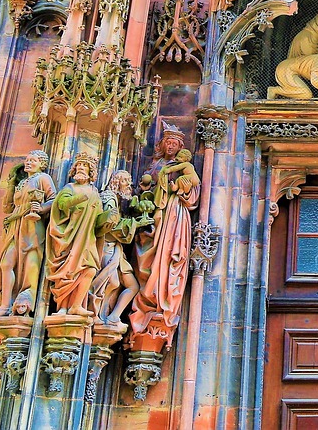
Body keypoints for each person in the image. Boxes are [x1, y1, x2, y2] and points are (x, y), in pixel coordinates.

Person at [130, 131, 201, 339]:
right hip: (156, 212)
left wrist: (180, 189)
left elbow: (193, 187)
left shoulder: (183, 167)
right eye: (167, 143)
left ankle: (162, 305)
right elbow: (147, 188)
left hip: (174, 213)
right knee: (149, 260)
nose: (170, 147)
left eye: (174, 144)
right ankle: (148, 305)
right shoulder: (156, 165)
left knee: (168, 254)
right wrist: (145, 189)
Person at [0, 149, 55, 319]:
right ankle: (5, 304)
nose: (28, 162)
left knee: (31, 262)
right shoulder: (22, 182)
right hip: (15, 225)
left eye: (33, 160)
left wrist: (41, 208)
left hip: (32, 225)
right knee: (6, 264)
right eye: (27, 159)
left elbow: (54, 199)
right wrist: (11, 183)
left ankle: (26, 299)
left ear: (42, 164)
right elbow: (7, 208)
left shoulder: (43, 178)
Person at [46, 154, 108, 317]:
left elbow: (98, 218)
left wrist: (110, 221)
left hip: (87, 238)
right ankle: (62, 308)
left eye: (84, 167)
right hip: (70, 238)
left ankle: (76, 305)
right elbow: (61, 204)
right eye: (78, 166)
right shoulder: (69, 188)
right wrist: (80, 198)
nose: (80, 169)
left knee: (89, 270)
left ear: (90, 172)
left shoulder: (94, 191)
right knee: (69, 273)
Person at [91, 170, 150, 325]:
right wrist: (136, 224)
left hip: (115, 249)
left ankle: (111, 316)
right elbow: (108, 225)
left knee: (131, 285)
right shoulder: (109, 199)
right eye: (125, 181)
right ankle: (98, 315)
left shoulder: (116, 199)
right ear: (117, 182)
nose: (129, 185)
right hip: (106, 247)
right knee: (112, 283)